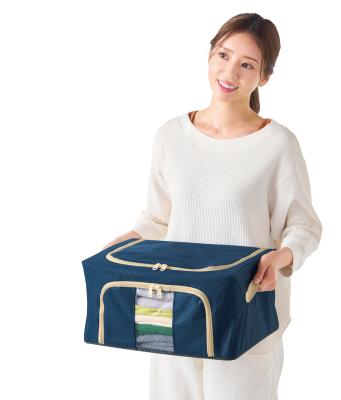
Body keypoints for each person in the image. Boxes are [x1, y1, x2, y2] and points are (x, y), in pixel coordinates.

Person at [103, 12, 323, 400]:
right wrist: (129, 240)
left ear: (264, 77)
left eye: (247, 65)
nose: (230, 72)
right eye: (223, 55)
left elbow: (303, 226)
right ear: (209, 56)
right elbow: (159, 218)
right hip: (170, 303)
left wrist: (282, 257)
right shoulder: (170, 136)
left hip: (244, 307)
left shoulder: (277, 144)